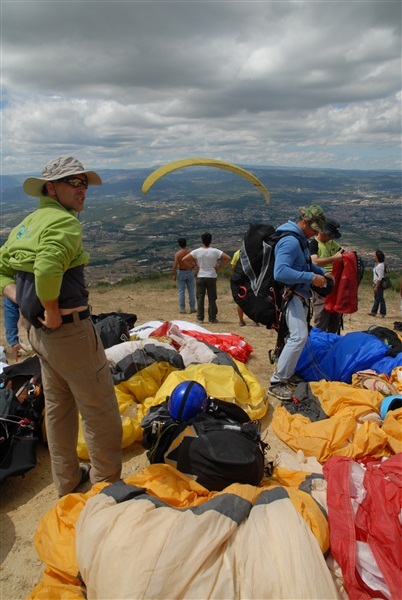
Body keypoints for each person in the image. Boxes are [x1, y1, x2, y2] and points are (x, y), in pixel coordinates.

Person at [0, 156, 123, 497]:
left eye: (84, 182)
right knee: (100, 409)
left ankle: (67, 481)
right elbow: (48, 267)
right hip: (69, 333)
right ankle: (107, 485)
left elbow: (2, 269)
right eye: (74, 182)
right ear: (51, 188)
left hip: (41, 338)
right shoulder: (64, 224)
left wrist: (22, 301)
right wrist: (51, 308)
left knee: (58, 408)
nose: (82, 189)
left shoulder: (27, 223)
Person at [269, 205, 329, 400]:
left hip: (298, 294)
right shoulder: (290, 242)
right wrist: (311, 278)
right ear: (304, 223)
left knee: (293, 337)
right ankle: (277, 381)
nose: (315, 234)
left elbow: (305, 263)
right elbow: (280, 272)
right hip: (291, 294)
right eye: (314, 229)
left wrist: (322, 273)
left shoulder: (300, 239)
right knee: (299, 336)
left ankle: (286, 372)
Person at [182, 232, 231, 324]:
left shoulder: (197, 251)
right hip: (211, 275)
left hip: (201, 275)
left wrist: (194, 267)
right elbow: (228, 258)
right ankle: (212, 318)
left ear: (202, 241)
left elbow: (184, 259)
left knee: (200, 298)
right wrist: (219, 267)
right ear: (211, 241)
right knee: (212, 298)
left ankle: (200, 318)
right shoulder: (215, 251)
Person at [309, 218, 344, 334]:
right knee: (321, 318)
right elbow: (314, 262)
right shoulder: (314, 244)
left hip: (335, 286)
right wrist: (333, 259)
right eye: (329, 235)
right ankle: (317, 344)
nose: (330, 238)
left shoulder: (333, 244)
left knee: (335, 320)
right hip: (321, 287)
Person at [231, 249, 259, 327]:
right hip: (252, 279)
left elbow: (233, 267)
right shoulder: (254, 252)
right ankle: (255, 320)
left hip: (240, 280)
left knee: (240, 299)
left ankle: (241, 321)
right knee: (253, 299)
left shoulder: (237, 253)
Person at [172, 237, 196, 314]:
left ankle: (182, 309)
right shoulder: (190, 252)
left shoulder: (178, 254)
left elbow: (175, 265)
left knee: (181, 291)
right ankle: (192, 308)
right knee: (191, 291)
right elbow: (195, 262)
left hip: (181, 272)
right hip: (190, 271)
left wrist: (174, 274)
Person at [368, 249, 386, 318]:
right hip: (376, 283)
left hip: (379, 284)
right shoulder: (378, 265)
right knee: (377, 298)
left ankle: (382, 313)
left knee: (380, 298)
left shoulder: (380, 266)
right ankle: (374, 311)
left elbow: (380, 277)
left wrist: (377, 286)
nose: (374, 257)